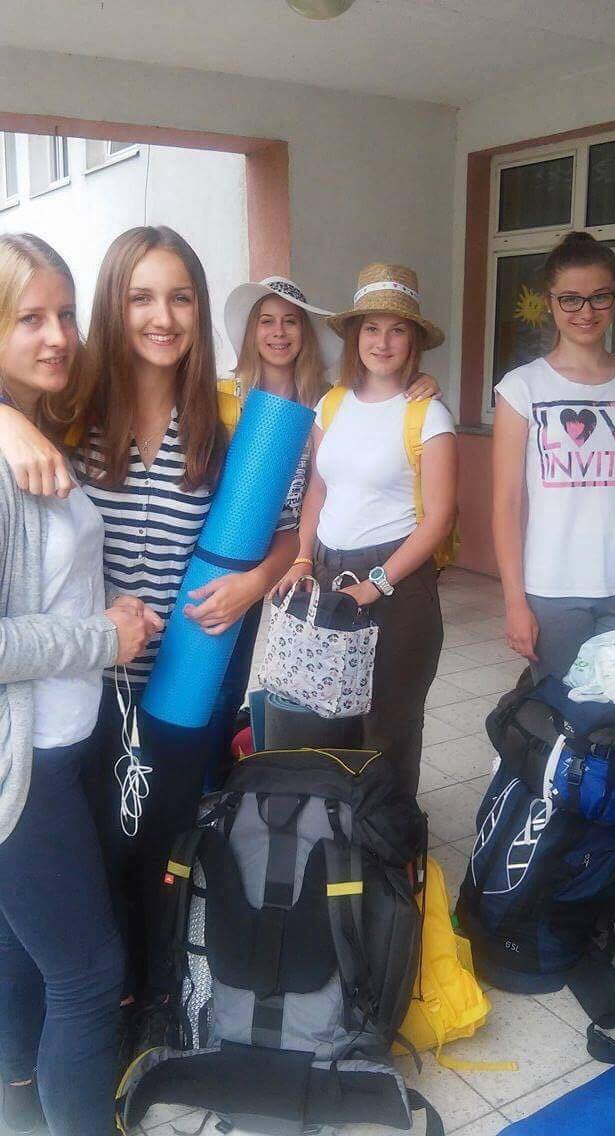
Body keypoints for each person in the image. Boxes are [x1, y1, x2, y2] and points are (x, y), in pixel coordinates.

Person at [0, 229, 299, 1054]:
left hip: (182, 681)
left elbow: (283, 531)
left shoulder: (228, 421)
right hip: (79, 686)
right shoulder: (67, 409)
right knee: (89, 857)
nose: (161, 317)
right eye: (141, 297)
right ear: (113, 305)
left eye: (180, 298)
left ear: (200, 312)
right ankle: (87, 1014)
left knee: (161, 847)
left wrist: (253, 583)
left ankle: (151, 1000)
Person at [0, 233, 155, 1136]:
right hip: (23, 770)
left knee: (27, 954)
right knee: (89, 976)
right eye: (30, 318)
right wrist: (102, 635)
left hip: (62, 744)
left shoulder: (34, 428)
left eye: (64, 314)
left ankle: (21, 1108)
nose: (57, 335)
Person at [207, 275, 443, 777]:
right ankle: (231, 791)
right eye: (266, 321)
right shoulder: (227, 397)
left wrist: (421, 385)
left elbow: (426, 507)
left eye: (291, 321)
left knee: (386, 715)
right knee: (253, 688)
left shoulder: (325, 397)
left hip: (321, 559)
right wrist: (303, 558)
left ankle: (380, 815)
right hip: (241, 556)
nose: (278, 332)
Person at [492, 230, 615, 936]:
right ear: (549, 303)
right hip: (552, 597)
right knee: (564, 744)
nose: (585, 312)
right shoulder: (522, 389)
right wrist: (514, 601)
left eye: (599, 297)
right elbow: (505, 504)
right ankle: (554, 886)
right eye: (570, 299)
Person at [275, 263, 457, 797]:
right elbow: (318, 489)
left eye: (397, 330)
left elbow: (439, 518)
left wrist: (377, 583)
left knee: (388, 727)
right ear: (355, 337)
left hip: (397, 581)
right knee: (326, 716)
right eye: (371, 328)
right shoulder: (331, 404)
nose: (382, 342)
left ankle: (388, 834)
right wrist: (302, 557)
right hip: (327, 571)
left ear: (413, 341)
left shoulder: (429, 415)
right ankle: (335, 830)